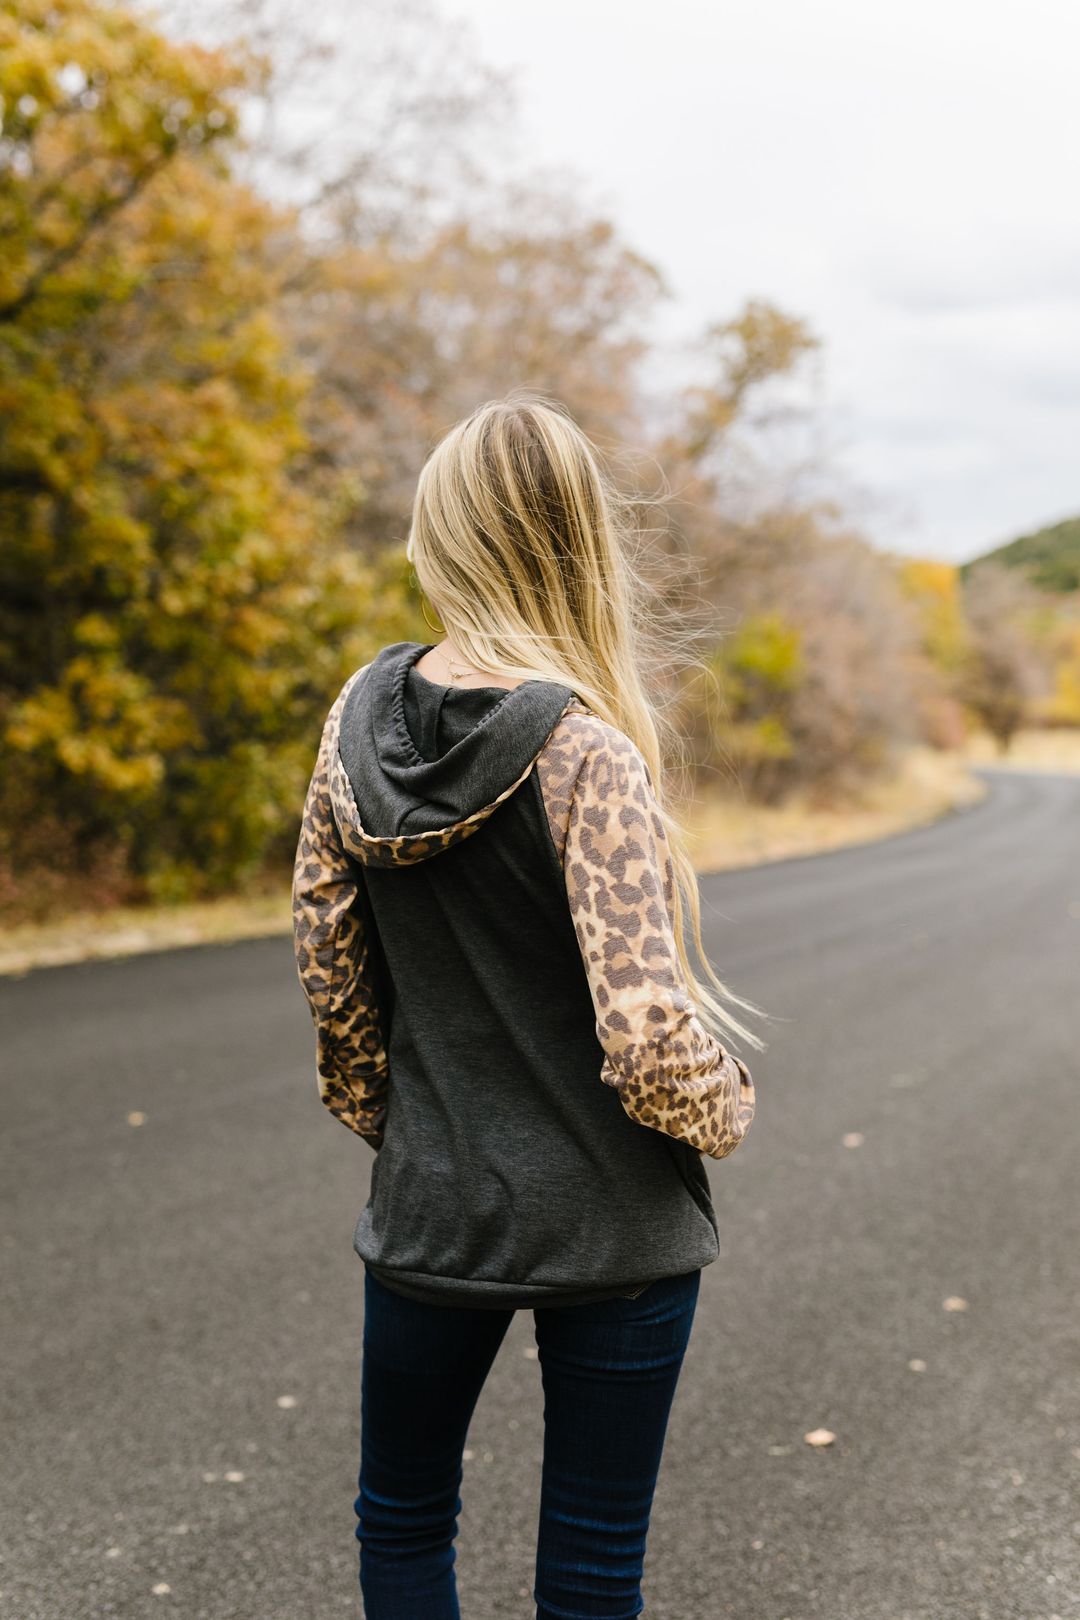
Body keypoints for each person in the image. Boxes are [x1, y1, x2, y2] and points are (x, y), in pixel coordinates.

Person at [291, 390, 764, 1620]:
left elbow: (328, 974)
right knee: (594, 1566)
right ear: (576, 540)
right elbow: (651, 1038)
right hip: (615, 1228)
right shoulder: (584, 750)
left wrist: (410, 1137)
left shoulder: (356, 729)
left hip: (431, 1210)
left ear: (440, 534)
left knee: (401, 1520)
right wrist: (730, 1114)